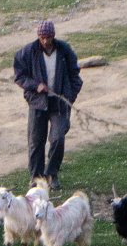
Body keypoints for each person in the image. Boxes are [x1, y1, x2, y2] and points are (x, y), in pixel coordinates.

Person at [12, 19, 82, 189]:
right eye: (42, 37)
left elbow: (75, 76)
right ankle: (36, 177)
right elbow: (19, 76)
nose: (45, 41)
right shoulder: (28, 52)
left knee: (58, 138)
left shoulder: (64, 51)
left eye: (48, 37)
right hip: (38, 102)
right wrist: (36, 86)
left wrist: (69, 97)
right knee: (36, 141)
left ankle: (51, 174)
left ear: (53, 36)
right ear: (38, 36)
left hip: (59, 103)